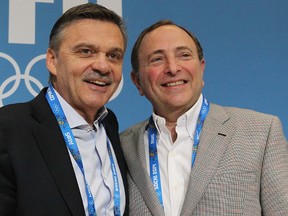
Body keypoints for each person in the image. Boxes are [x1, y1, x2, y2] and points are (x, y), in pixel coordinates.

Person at [120, 20, 288, 215]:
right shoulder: (121, 147)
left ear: (201, 68)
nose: (173, 68)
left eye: (184, 55)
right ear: (137, 81)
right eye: (157, 59)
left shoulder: (261, 131)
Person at [0, 3, 129, 216]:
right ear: (52, 60)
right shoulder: (8, 128)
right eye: (86, 51)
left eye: (113, 55)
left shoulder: (110, 125)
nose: (103, 66)